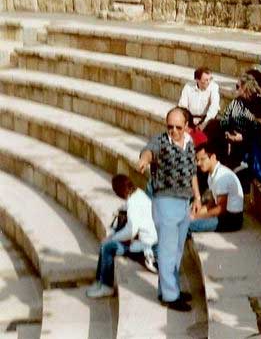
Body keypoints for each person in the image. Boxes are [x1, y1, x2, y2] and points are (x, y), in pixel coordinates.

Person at [136, 107, 201, 312]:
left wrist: (197, 196)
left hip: (183, 202)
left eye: (178, 127)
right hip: (165, 201)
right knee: (167, 249)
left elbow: (192, 173)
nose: (173, 131)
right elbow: (149, 151)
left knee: (178, 249)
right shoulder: (161, 142)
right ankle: (171, 295)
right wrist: (144, 161)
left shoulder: (190, 144)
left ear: (187, 127)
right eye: (170, 126)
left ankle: (167, 289)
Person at [85, 175, 158, 298]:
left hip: (145, 247)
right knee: (107, 242)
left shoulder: (133, 204)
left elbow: (131, 232)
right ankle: (99, 281)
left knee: (108, 247)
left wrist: (112, 238)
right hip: (145, 240)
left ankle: (106, 286)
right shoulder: (138, 194)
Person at [189, 143, 244, 233]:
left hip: (231, 220)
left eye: (202, 159)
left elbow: (220, 209)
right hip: (222, 216)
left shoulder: (221, 176)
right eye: (197, 160)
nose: (198, 163)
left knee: (187, 226)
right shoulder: (211, 175)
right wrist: (194, 214)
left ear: (213, 157)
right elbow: (212, 203)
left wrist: (196, 217)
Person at [178, 67, 220, 131]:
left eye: (210, 79)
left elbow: (214, 107)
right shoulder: (188, 87)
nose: (208, 82)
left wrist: (204, 123)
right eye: (206, 80)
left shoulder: (214, 87)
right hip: (190, 119)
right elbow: (182, 106)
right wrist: (188, 121)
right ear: (197, 80)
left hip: (207, 120)